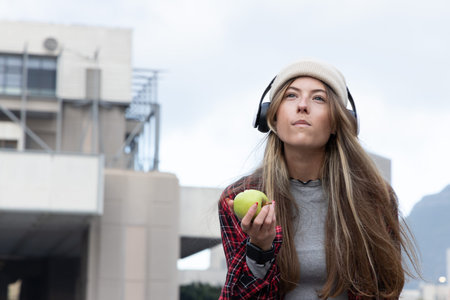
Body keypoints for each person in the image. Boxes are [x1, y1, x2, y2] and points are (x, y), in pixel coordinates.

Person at [218, 59, 419, 299]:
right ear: (270, 117)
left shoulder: (374, 197)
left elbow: (386, 290)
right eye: (291, 96)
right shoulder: (237, 198)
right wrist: (259, 248)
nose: (302, 106)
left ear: (337, 122)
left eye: (318, 98)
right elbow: (239, 296)